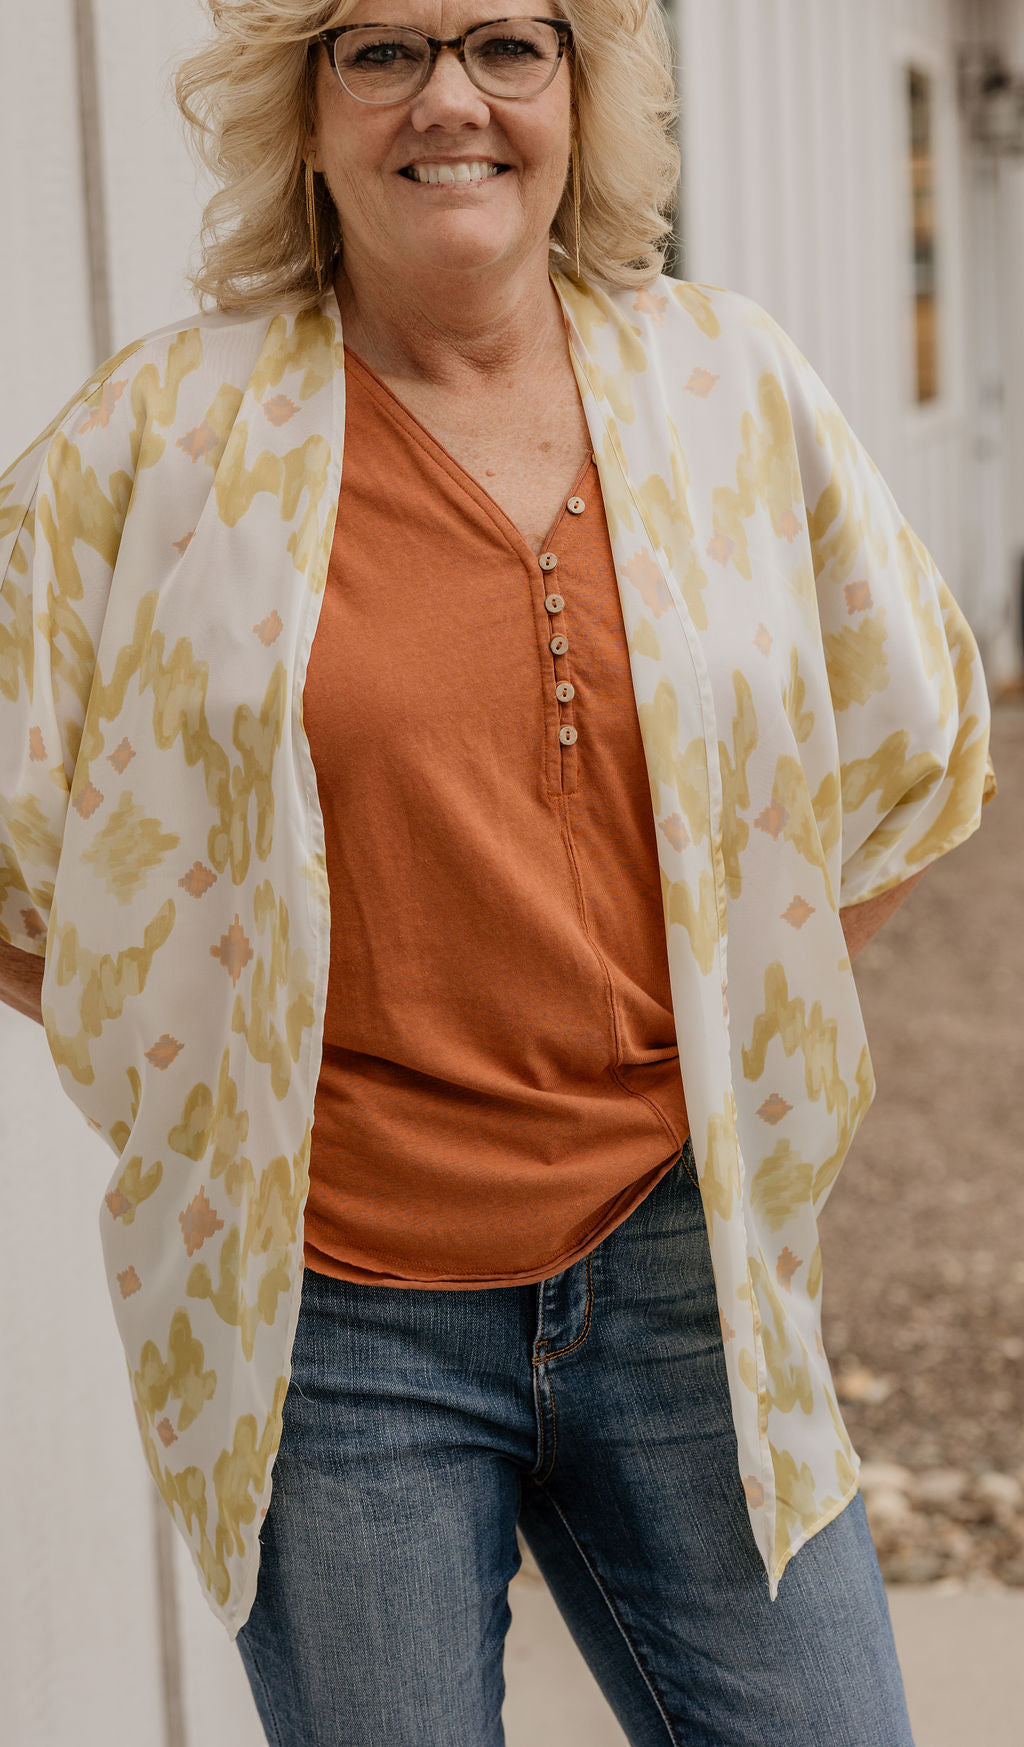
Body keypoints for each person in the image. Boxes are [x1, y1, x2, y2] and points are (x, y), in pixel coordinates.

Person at [0, 0, 996, 1741]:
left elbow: (911, 749)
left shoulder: (729, 386)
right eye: (379, 52)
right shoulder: (158, 441)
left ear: (581, 95)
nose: (447, 99)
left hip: (686, 1271)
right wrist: (197, 1090)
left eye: (507, 45)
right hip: (339, 1325)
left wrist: (729, 1035)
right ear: (306, 112)